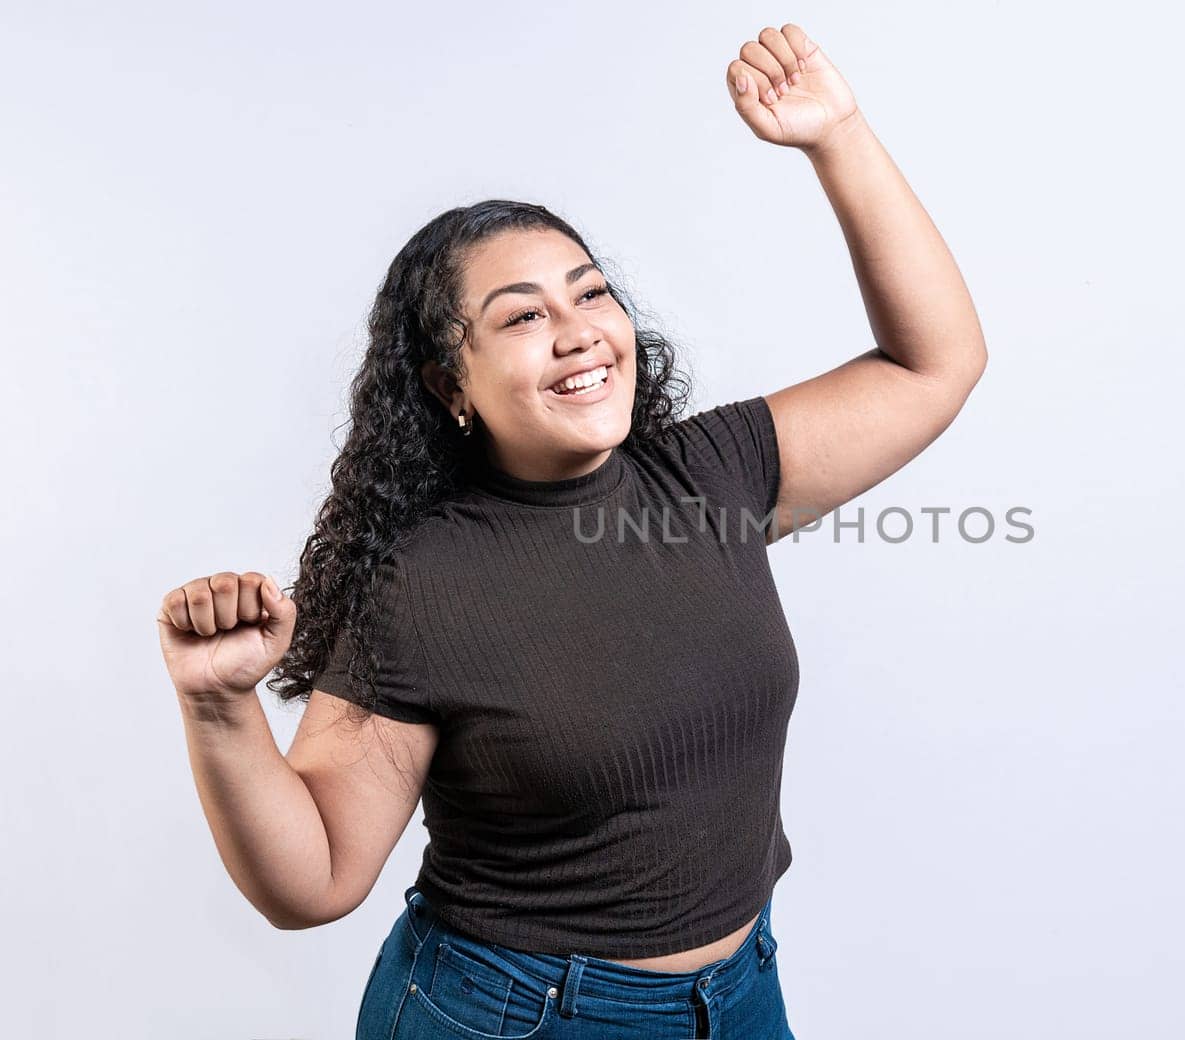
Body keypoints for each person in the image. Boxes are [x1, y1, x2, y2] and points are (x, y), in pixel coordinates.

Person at [157, 22, 986, 1040]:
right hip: (518, 1017)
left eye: (590, 291)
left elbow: (932, 362)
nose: (579, 327)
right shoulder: (422, 582)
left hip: (738, 995)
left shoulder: (709, 475)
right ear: (448, 387)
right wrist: (217, 706)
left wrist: (838, 135)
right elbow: (317, 876)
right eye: (519, 316)